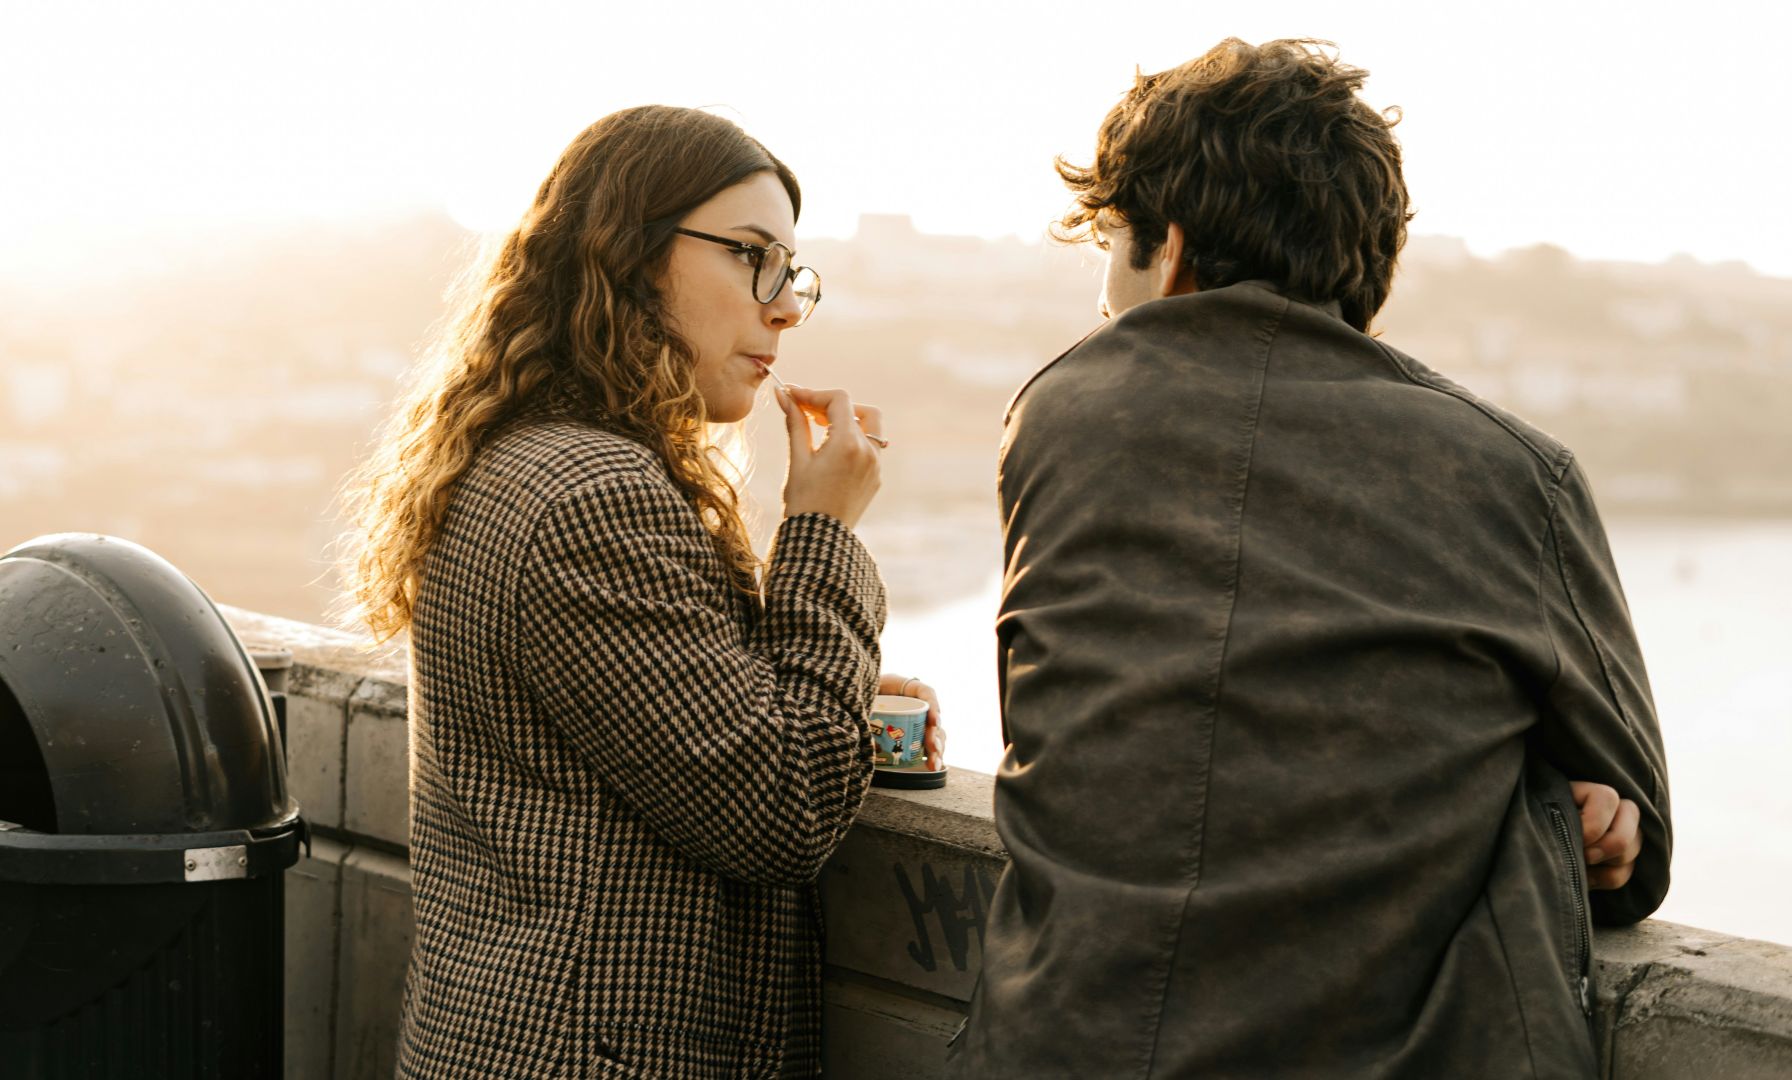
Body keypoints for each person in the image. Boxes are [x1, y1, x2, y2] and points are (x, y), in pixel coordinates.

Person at [949, 39, 1671, 1077]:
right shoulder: (1515, 475)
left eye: (1114, 247)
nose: (1105, 304)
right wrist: (1559, 805)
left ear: (1171, 248)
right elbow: (1640, 862)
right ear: (1366, 262)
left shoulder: (1059, 414)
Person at [339, 105, 941, 1079]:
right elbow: (779, 812)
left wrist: (828, 694)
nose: (783, 307)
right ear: (629, 254)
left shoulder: (518, 457)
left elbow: (656, 728)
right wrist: (821, 532)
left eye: (794, 274)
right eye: (753, 257)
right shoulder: (598, 496)